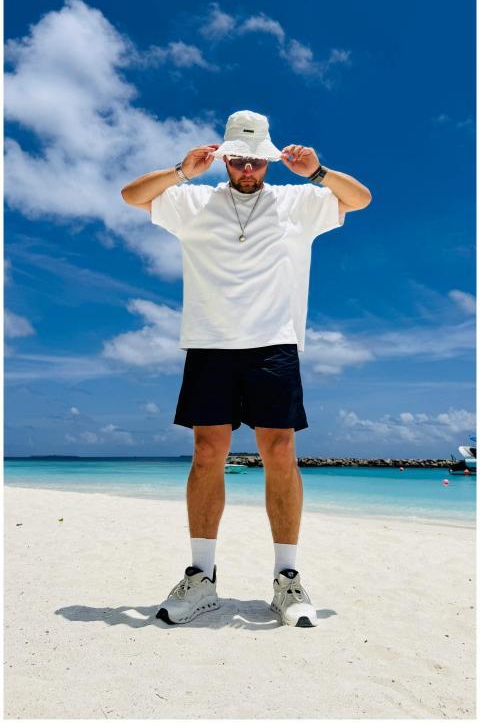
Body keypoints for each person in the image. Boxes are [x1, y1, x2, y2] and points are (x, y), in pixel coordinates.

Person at [121, 109, 372, 627]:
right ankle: (202, 578)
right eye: (237, 159)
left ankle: (286, 579)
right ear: (225, 157)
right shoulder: (194, 200)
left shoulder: (296, 202)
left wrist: (319, 173)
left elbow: (361, 198)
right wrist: (181, 170)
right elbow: (132, 196)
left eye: (255, 160)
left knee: (280, 452)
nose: (247, 169)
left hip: (274, 343)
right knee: (207, 451)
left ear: (268, 159)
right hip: (209, 344)